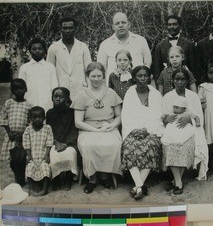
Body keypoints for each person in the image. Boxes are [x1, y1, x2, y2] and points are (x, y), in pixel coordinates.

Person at [72, 62, 122, 194]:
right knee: (90, 145)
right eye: (93, 76)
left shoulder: (111, 93)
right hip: (88, 129)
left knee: (114, 144)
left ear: (103, 76)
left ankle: (105, 176)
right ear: (88, 76)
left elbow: (119, 116)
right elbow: (78, 122)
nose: (96, 79)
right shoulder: (82, 95)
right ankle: (92, 179)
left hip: (109, 128)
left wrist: (111, 126)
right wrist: (95, 130)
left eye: (99, 76)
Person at [162, 67, 209, 193]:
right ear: (173, 80)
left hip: (190, 130)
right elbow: (163, 119)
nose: (180, 82)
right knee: (171, 145)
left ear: (188, 81)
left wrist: (189, 119)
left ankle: (177, 181)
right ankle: (178, 182)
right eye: (177, 79)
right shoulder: (167, 97)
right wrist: (168, 118)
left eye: (183, 79)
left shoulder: (193, 96)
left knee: (185, 145)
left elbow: (199, 118)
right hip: (172, 130)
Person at [121, 66, 164, 201]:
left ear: (150, 77)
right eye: (139, 76)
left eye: (145, 75)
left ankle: (137, 186)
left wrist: (147, 129)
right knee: (129, 146)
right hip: (132, 129)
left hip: (150, 129)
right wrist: (134, 129)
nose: (143, 78)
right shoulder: (130, 93)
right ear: (134, 78)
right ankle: (140, 186)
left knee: (152, 145)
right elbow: (126, 115)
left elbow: (158, 116)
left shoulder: (156, 94)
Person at [97, 12, 152, 85]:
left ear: (129, 24)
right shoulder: (105, 44)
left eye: (123, 22)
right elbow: (101, 69)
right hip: (114, 89)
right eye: (117, 23)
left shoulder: (140, 41)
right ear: (113, 27)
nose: (120, 25)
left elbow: (147, 63)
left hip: (138, 88)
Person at [47, 16, 92, 100]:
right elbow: (49, 72)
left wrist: (89, 90)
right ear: (61, 29)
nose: (68, 31)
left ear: (75, 29)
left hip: (80, 90)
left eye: (70, 28)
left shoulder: (83, 47)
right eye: (65, 28)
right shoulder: (53, 48)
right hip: (61, 92)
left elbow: (88, 71)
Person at [0, 79, 31, 186]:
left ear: (25, 89)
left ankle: (21, 178)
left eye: (21, 88)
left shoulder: (28, 105)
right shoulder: (9, 103)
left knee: (22, 158)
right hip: (11, 137)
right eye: (15, 89)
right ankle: (17, 178)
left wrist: (23, 134)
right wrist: (9, 132)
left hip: (22, 137)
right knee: (13, 160)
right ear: (12, 90)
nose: (18, 91)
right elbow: (3, 118)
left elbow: (29, 122)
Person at [46, 87, 78, 191]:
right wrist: (55, 142)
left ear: (67, 99)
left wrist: (66, 144)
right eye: (55, 96)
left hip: (69, 142)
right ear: (52, 98)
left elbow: (74, 131)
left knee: (70, 153)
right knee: (53, 154)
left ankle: (68, 177)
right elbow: (48, 131)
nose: (58, 99)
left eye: (61, 97)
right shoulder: (50, 113)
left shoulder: (72, 112)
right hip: (55, 142)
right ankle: (56, 178)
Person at [19, 38, 58, 112]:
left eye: (40, 48)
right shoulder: (24, 68)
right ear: (30, 51)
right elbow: (21, 87)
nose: (37, 51)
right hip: (29, 101)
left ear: (44, 51)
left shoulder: (50, 67)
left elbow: (54, 87)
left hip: (47, 103)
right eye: (34, 49)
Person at [154, 15, 195, 82]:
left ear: (180, 26)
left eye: (174, 24)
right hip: (166, 83)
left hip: (184, 82)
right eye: (169, 25)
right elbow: (157, 69)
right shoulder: (159, 46)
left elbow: (193, 67)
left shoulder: (189, 44)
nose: (172, 27)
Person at [23, 106, 53, 196]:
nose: (37, 119)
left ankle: (44, 189)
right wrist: (29, 156)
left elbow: (49, 142)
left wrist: (47, 155)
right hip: (32, 155)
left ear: (44, 118)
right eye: (34, 117)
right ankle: (31, 189)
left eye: (40, 117)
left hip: (43, 155)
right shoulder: (28, 129)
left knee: (45, 168)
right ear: (30, 118)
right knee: (29, 167)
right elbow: (26, 143)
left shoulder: (47, 128)